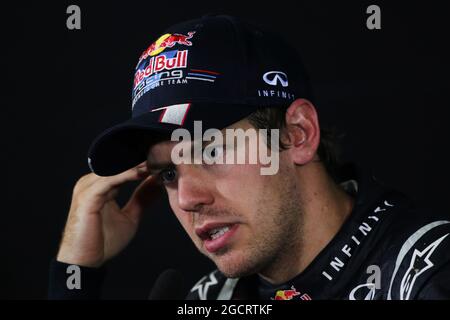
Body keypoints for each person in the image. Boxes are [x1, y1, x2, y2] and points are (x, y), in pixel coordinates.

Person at [48, 15, 450, 300]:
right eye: (168, 173)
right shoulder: (209, 297)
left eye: (211, 149)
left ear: (299, 134)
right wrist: (75, 274)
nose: (187, 199)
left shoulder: (429, 275)